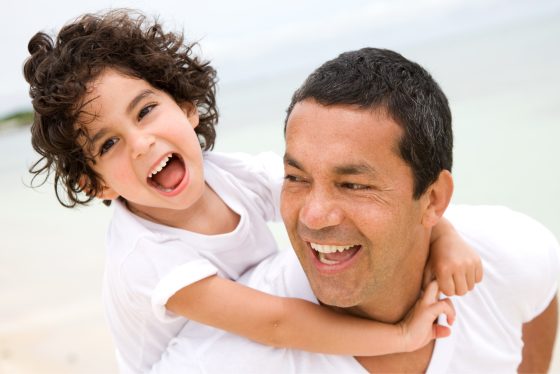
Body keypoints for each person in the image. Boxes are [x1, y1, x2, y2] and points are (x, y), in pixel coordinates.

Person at [23, 11, 482, 374]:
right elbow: (275, 323)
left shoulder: (230, 175)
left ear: (186, 109)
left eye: (145, 111)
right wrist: (402, 338)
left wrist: (445, 235)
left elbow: (331, 195)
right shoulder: (146, 258)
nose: (141, 143)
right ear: (97, 182)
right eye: (108, 144)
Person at [152, 48, 559, 373]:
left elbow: (542, 291)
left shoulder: (507, 253)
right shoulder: (218, 361)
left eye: (353, 185)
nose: (313, 216)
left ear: (433, 199)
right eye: (296, 178)